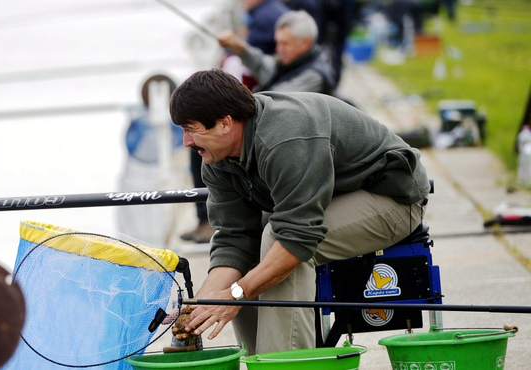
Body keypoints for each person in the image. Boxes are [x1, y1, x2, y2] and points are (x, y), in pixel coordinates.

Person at [169, 69, 430, 354]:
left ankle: (287, 360)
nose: (186, 142)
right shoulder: (216, 159)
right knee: (252, 257)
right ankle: (260, 358)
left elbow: (297, 238)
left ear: (224, 123)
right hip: (331, 197)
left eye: (191, 129)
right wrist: (203, 306)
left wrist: (236, 294)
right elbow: (234, 237)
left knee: (276, 242)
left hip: (393, 199)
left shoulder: (286, 137)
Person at [217, 10, 337, 94]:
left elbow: (276, 100)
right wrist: (239, 46)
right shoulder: (292, 60)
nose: (278, 49)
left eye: (285, 44)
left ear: (305, 43)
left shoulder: (316, 75)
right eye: (278, 43)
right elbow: (263, 66)